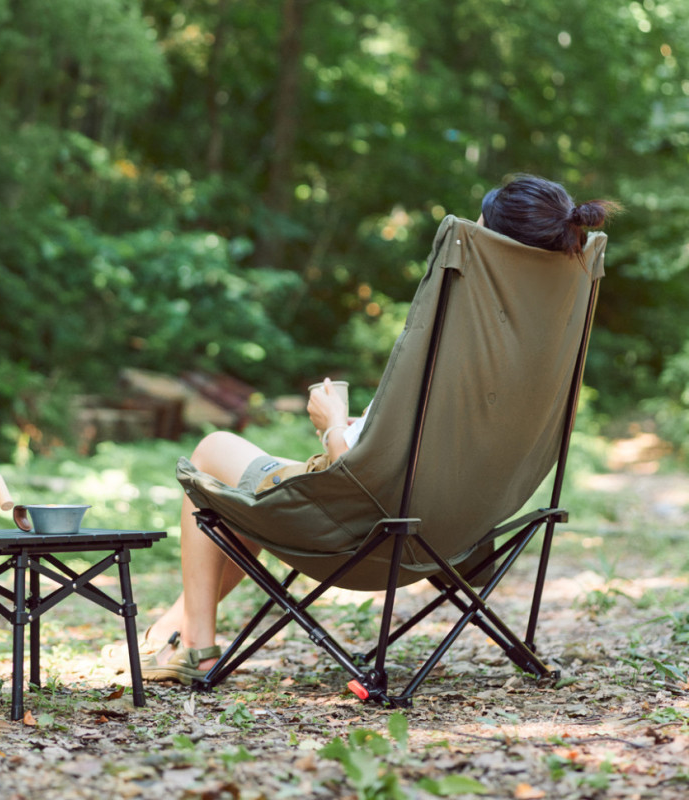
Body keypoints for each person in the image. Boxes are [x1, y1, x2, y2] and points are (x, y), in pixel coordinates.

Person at [102, 174, 619, 685]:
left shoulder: (463, 315)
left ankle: (196, 644)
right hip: (457, 537)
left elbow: (358, 473)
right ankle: (170, 630)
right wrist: (365, 429)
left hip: (369, 532)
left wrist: (331, 424)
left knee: (214, 450)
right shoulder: (543, 339)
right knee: (245, 498)